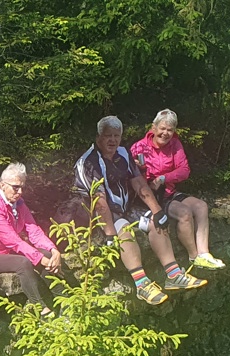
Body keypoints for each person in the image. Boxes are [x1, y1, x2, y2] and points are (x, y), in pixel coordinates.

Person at [71, 116, 206, 305]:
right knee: (125, 231)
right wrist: (109, 233)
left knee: (156, 223)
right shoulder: (89, 162)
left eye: (116, 136)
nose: (113, 140)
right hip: (98, 212)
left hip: (124, 206)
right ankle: (142, 285)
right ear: (98, 137)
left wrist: (157, 211)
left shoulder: (123, 153)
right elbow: (98, 200)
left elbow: (139, 183)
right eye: (108, 136)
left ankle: (174, 275)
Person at [0, 162, 81, 318]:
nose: (20, 192)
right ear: (2, 185)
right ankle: (41, 310)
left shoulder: (18, 204)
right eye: (15, 187)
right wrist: (42, 260)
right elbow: (13, 241)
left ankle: (65, 301)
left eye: (22, 187)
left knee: (46, 254)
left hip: (4, 253)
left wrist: (54, 251)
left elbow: (34, 231)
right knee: (23, 262)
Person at [129, 110, 224, 271]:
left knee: (201, 206)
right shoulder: (139, 147)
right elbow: (131, 177)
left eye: (170, 130)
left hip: (168, 190)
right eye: (162, 128)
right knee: (184, 213)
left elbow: (184, 170)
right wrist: (142, 171)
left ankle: (204, 253)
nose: (165, 133)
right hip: (152, 196)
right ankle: (194, 257)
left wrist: (163, 178)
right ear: (153, 128)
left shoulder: (175, 145)